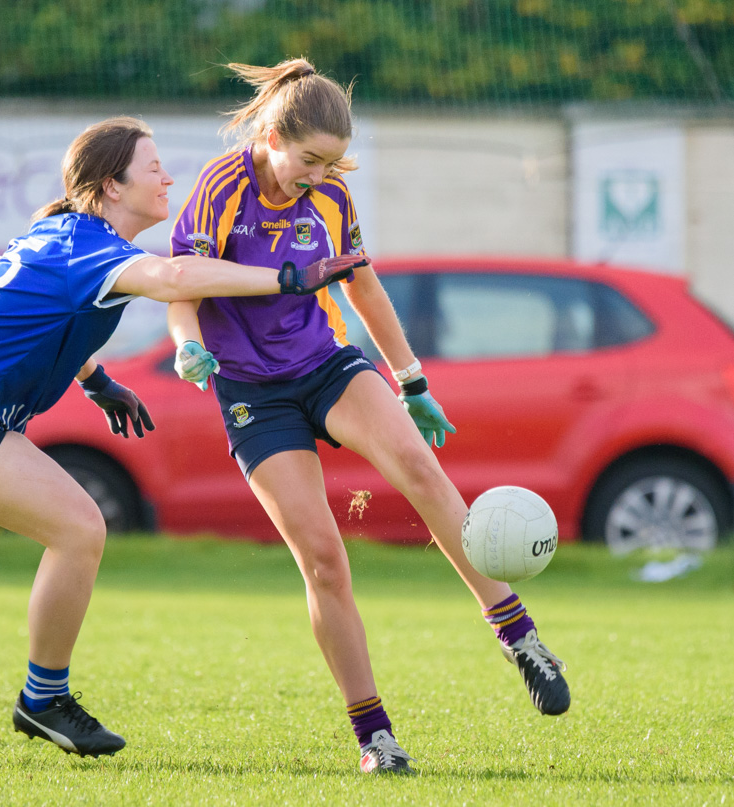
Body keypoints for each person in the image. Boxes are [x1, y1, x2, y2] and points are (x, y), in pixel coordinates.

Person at [0, 116, 359, 763]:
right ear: (111, 185)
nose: (167, 177)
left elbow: (34, 312)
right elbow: (173, 280)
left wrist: (96, 379)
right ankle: (43, 698)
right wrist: (288, 278)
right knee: (80, 527)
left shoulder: (68, 233)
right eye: (152, 167)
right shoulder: (93, 246)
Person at [167, 60, 571, 775]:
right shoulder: (220, 186)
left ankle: (519, 637)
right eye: (308, 159)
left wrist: (410, 378)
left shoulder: (330, 199)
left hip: (324, 365)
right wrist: (187, 346)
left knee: (418, 464)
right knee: (322, 558)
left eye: (331, 163)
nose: (318, 175)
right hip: (250, 395)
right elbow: (181, 282)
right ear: (270, 134)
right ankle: (374, 737)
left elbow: (364, 288)